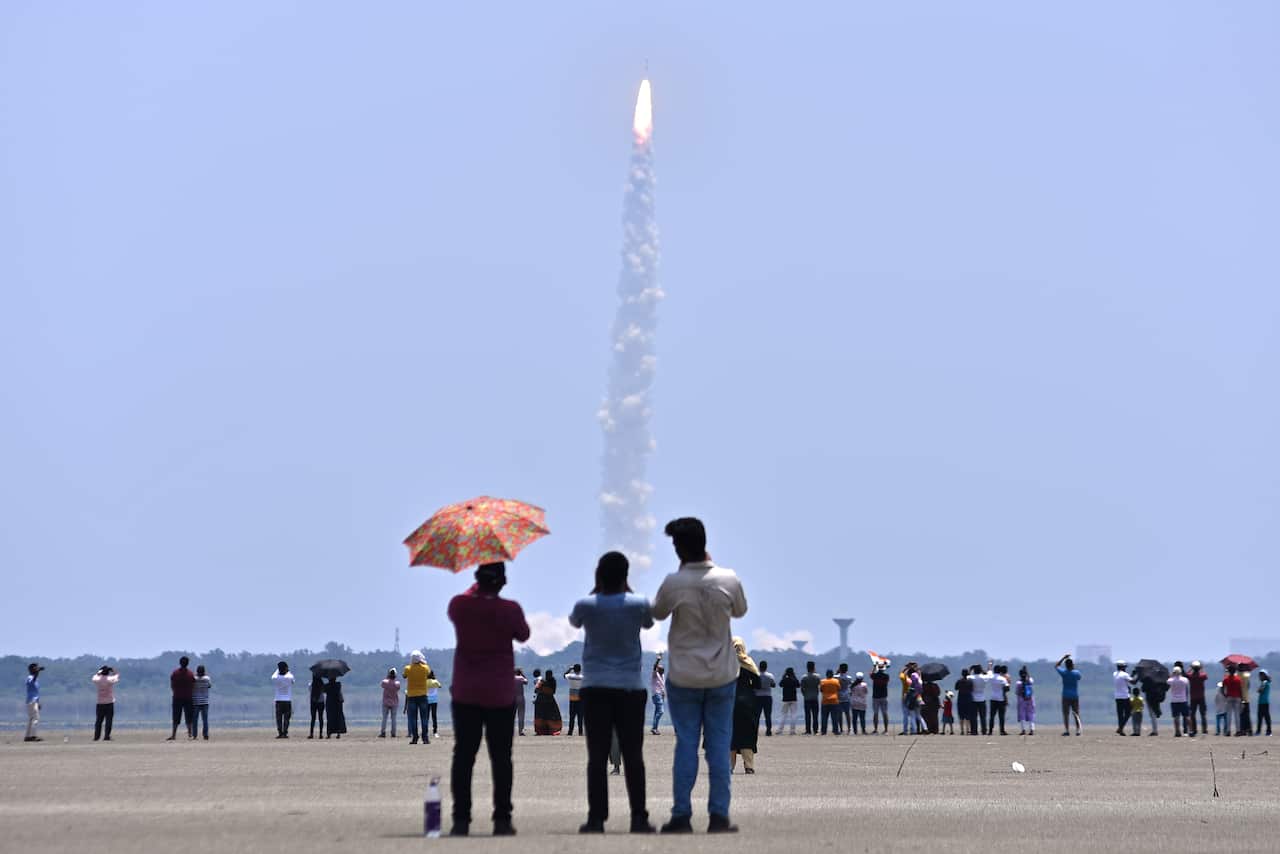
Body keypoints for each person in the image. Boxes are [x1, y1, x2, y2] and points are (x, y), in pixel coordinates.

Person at [650, 517, 748, 835]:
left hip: (683, 677)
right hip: (721, 675)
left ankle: (681, 815)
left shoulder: (673, 582)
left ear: (678, 548)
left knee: (686, 745)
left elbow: (657, 613)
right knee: (718, 747)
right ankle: (719, 816)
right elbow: (740, 610)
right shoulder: (728, 578)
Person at [567, 550, 656, 834]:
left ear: (599, 575)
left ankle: (596, 818)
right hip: (630, 687)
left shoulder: (587, 605)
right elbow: (649, 623)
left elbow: (574, 621)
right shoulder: (638, 603)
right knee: (633, 755)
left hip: (595, 688)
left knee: (596, 756)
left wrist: (597, 588)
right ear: (626, 576)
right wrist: (626, 589)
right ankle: (639, 817)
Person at [447, 562, 530, 837]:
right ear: (502, 582)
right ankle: (502, 820)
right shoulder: (510, 609)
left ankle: (461, 820)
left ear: (476, 579)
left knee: (464, 757)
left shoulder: (459, 605)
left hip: (466, 691)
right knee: (501, 758)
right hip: (499, 693)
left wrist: (477, 588)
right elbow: (524, 634)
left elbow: (465, 605)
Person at [729, 638, 762, 774]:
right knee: (747, 734)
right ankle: (749, 766)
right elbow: (757, 684)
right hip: (747, 703)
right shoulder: (748, 662)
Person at [403, 651, 432, 745]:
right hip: (423, 696)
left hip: (411, 696)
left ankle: (415, 738)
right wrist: (423, 663)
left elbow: (404, 676)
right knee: (424, 718)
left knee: (413, 719)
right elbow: (429, 674)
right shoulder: (425, 668)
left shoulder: (407, 668)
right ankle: (425, 738)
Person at [169, 656, 196, 741]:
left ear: (180, 663)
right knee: (189, 717)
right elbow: (193, 685)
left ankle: (173, 735)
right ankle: (190, 734)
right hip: (188, 697)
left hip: (177, 697)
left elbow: (172, 685)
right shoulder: (190, 674)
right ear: (187, 663)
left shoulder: (175, 673)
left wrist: (175, 692)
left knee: (176, 717)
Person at [1055, 654, 1082, 736]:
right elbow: (1079, 678)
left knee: (1066, 714)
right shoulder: (1076, 673)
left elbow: (1056, 666)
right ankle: (1078, 730)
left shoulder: (1064, 672)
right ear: (1072, 665)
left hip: (1065, 695)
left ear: (1066, 666)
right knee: (1076, 713)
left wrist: (1063, 657)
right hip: (1075, 695)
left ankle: (1067, 730)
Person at [92, 665, 120, 742]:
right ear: (108, 672)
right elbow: (117, 676)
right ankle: (106, 736)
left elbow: (94, 677)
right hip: (109, 702)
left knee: (98, 721)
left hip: (100, 703)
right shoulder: (110, 679)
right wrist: (113, 670)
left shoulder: (97, 680)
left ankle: (96, 737)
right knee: (109, 720)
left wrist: (99, 671)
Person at [534, 670, 563, 736]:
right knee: (551, 716)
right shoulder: (552, 681)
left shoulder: (542, 681)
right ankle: (550, 730)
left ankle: (542, 730)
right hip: (549, 700)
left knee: (542, 716)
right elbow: (553, 691)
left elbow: (536, 690)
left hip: (542, 701)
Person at [271, 661, 294, 739]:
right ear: (286, 668)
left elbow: (273, 676)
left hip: (278, 700)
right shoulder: (289, 677)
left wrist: (277, 670)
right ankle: (285, 733)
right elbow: (293, 681)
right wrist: (288, 670)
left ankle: (280, 732)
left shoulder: (276, 678)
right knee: (287, 718)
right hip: (287, 700)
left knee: (279, 718)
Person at [1187, 661, 1209, 737]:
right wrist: (1201, 669)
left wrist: (1190, 668)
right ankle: (1204, 730)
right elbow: (1206, 675)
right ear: (1199, 668)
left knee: (1192, 714)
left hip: (1193, 697)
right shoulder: (1202, 676)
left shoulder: (1190, 676)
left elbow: (1187, 674)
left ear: (1193, 668)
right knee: (1203, 714)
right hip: (1201, 697)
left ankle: (1194, 729)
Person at [1167, 666, 1190, 738]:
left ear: (1174, 672)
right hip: (1183, 700)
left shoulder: (1171, 680)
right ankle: (1191, 730)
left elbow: (1167, 681)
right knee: (1186, 716)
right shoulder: (1185, 680)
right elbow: (1187, 683)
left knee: (1176, 717)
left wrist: (1172, 675)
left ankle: (1177, 731)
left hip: (1174, 700)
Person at [755, 660, 776, 737]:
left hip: (757, 697)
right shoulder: (770, 675)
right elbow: (773, 685)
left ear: (759, 667)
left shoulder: (756, 675)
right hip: (767, 696)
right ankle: (768, 731)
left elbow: (753, 685)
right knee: (768, 715)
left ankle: (755, 730)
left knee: (757, 715)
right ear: (766, 667)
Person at [799, 661, 822, 735]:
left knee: (807, 715)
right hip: (815, 698)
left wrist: (804, 695)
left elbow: (802, 688)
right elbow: (820, 686)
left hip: (807, 698)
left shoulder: (804, 677)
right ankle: (815, 730)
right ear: (814, 667)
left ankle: (808, 730)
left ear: (807, 667)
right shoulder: (817, 676)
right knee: (815, 715)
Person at [1112, 660, 1133, 735]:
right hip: (1125, 696)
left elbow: (1125, 682)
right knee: (1129, 712)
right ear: (1123, 667)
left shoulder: (1114, 674)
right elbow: (1133, 682)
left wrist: (1132, 675)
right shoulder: (1125, 674)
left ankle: (1121, 729)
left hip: (1117, 696)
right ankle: (1120, 728)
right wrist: (1137, 675)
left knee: (1120, 714)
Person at [564, 663, 585, 736]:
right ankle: (580, 731)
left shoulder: (570, 676)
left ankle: (570, 731)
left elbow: (564, 675)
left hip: (572, 698)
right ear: (580, 669)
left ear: (574, 669)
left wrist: (570, 669)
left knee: (572, 716)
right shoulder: (583, 677)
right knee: (580, 716)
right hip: (581, 699)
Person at [778, 667, 800, 735]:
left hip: (785, 699)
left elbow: (780, 684)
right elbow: (798, 685)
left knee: (783, 715)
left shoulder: (785, 679)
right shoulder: (794, 679)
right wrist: (795, 676)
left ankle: (780, 730)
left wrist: (783, 676)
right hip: (793, 699)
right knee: (793, 715)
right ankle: (792, 730)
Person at [24, 663, 43, 742]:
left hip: (33, 701)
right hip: (31, 701)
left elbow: (36, 692)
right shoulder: (29, 677)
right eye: (35, 668)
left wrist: (38, 703)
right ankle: (33, 736)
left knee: (31, 719)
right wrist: (38, 671)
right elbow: (33, 680)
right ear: (31, 669)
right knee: (36, 718)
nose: (37, 669)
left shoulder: (35, 679)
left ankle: (27, 736)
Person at [1014, 666, 1035, 735]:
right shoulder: (1030, 680)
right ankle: (1032, 729)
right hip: (1030, 699)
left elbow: (1017, 692)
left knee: (1022, 715)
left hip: (1021, 700)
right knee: (1031, 714)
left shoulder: (1018, 683)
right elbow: (1030, 678)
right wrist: (1027, 671)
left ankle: (1023, 730)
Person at [870, 664, 891, 734]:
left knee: (876, 714)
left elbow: (871, 674)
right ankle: (886, 730)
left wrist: (874, 667)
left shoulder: (875, 676)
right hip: (884, 696)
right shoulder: (886, 676)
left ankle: (875, 729)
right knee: (885, 713)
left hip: (875, 697)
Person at [819, 669, 841, 735]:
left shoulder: (822, 681)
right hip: (834, 701)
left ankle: (823, 731)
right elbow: (839, 688)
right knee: (834, 717)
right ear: (832, 674)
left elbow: (821, 690)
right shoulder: (836, 681)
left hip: (825, 701)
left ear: (826, 674)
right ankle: (835, 730)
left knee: (824, 717)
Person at [1222, 665, 1243, 736]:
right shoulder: (1238, 679)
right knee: (1237, 715)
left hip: (1229, 697)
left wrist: (1224, 695)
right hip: (1237, 697)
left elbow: (1222, 688)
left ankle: (1228, 731)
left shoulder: (1226, 679)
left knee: (1229, 715)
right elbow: (1240, 690)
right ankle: (1238, 731)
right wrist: (1242, 699)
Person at [380, 668, 401, 738]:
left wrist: (387, 677)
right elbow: (398, 688)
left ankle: (383, 732)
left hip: (386, 702)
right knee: (394, 719)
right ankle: (393, 733)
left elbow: (382, 685)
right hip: (394, 702)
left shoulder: (384, 682)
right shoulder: (397, 683)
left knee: (384, 718)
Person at [192, 665, 211, 741]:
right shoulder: (207, 678)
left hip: (196, 701)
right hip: (205, 702)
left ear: (197, 671)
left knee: (195, 720)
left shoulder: (194, 679)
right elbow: (209, 686)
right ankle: (205, 735)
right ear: (204, 671)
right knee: (205, 720)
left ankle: (195, 735)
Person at [955, 669, 976, 735]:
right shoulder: (970, 681)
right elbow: (972, 689)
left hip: (960, 699)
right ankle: (968, 730)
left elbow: (956, 688)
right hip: (968, 699)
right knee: (968, 716)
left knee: (961, 716)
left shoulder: (959, 681)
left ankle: (962, 730)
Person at [969, 663, 988, 736]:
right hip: (982, 698)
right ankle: (984, 730)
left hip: (973, 698)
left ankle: (974, 731)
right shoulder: (983, 677)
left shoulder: (971, 677)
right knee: (983, 716)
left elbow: (966, 676)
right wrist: (983, 670)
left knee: (973, 716)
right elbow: (987, 674)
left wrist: (970, 669)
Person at [835, 663, 853, 734]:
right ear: (847, 669)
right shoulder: (849, 677)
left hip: (838, 696)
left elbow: (833, 677)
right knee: (847, 713)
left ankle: (841, 729)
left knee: (839, 714)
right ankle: (849, 728)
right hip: (846, 696)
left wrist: (837, 671)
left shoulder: (836, 677)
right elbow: (851, 685)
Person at [308, 671, 326, 739]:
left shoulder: (310, 684)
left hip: (313, 702)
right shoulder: (322, 684)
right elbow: (324, 691)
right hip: (321, 702)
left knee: (313, 718)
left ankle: (311, 734)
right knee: (321, 718)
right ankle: (320, 734)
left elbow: (310, 690)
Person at [650, 660, 666, 735]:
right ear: (658, 669)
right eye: (661, 668)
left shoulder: (662, 676)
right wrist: (658, 660)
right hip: (656, 694)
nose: (663, 670)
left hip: (660, 695)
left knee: (657, 712)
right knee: (661, 711)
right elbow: (654, 667)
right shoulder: (655, 674)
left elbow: (662, 686)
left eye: (663, 669)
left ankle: (655, 728)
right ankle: (654, 728)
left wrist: (663, 694)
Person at [426, 670, 443, 738]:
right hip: (434, 701)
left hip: (427, 700)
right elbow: (440, 686)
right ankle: (435, 731)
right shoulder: (435, 681)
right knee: (434, 716)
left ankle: (425, 731)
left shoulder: (425, 682)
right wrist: (435, 679)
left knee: (426, 717)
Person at [1255, 670, 1271, 737]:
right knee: (1264, 717)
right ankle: (1267, 731)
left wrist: (1259, 689)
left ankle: (1264, 731)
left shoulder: (1264, 682)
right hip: (1262, 702)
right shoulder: (1266, 682)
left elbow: (1260, 690)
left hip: (1263, 702)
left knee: (1263, 717)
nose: (1260, 677)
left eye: (1261, 675)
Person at [1238, 667, 1254, 737]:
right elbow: (1248, 686)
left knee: (1241, 715)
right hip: (1246, 698)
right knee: (1247, 715)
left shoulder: (1237, 675)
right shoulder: (1247, 675)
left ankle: (1242, 730)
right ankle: (1249, 730)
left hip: (1240, 698)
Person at [513, 668, 529, 736]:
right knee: (521, 715)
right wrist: (523, 675)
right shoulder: (521, 677)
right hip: (521, 698)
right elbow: (526, 682)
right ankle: (520, 731)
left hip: (512, 698)